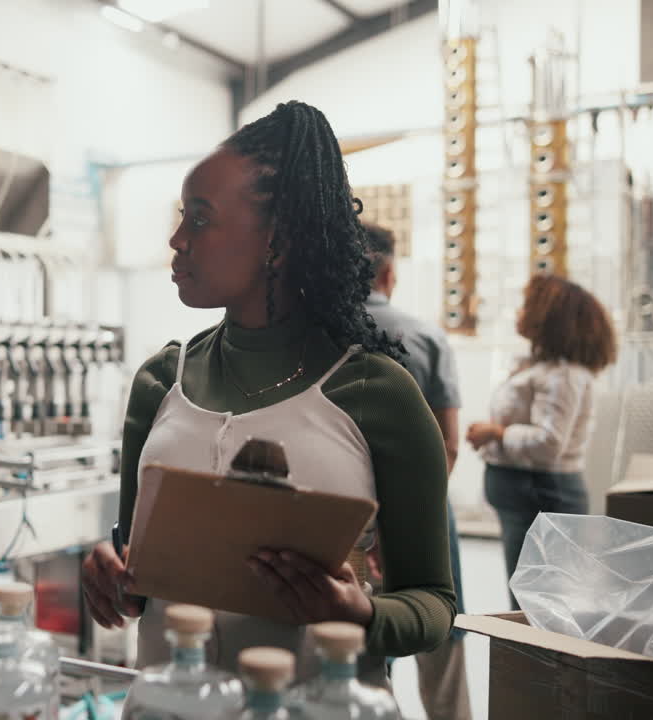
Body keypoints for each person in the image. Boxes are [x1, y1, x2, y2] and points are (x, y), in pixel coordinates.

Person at [81, 101, 456, 687]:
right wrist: (114, 582)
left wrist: (359, 613)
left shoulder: (374, 394)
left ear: (276, 241)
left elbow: (433, 603)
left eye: (200, 219)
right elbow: (138, 577)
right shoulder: (161, 384)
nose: (177, 239)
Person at [363, 224, 470, 720]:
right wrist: (414, 514)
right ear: (388, 272)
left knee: (360, 634)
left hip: (349, 514)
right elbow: (448, 444)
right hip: (423, 506)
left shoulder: (316, 334)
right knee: (439, 628)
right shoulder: (425, 336)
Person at [467, 273, 616, 607]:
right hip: (530, 493)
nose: (519, 313)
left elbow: (549, 443)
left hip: (541, 491)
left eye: (526, 306)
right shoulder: (542, 368)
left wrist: (497, 434)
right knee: (528, 597)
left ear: (547, 317)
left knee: (536, 604)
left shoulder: (563, 376)